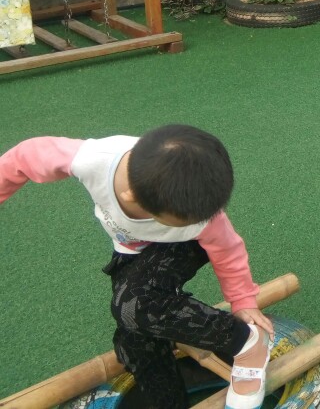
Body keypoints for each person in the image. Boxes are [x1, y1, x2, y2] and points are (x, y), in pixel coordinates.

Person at [0, 125, 273, 409]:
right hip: (131, 251)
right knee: (134, 340)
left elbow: (228, 249)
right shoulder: (92, 160)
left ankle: (246, 342)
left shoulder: (205, 220)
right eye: (187, 221)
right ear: (133, 197)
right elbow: (24, 156)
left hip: (186, 246)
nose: (205, 221)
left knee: (133, 305)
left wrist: (242, 300)